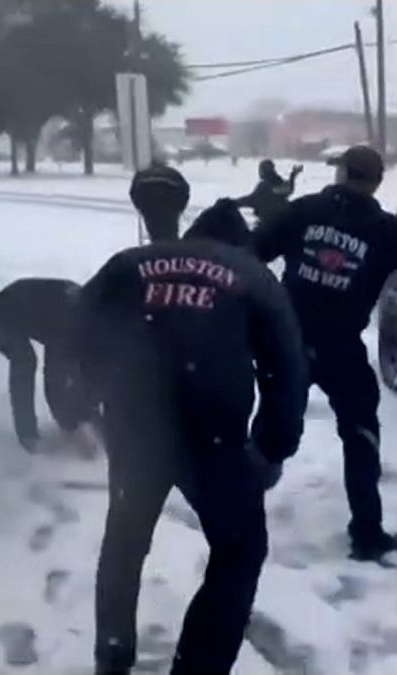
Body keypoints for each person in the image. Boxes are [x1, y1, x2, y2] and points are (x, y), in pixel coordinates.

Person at [73, 198, 307, 674]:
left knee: (125, 539)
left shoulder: (129, 264)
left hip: (135, 423)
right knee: (240, 550)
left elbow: (77, 332)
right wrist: (271, 446)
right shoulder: (254, 276)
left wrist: (90, 404)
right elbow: (287, 366)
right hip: (213, 432)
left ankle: (112, 657)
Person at [253, 145, 397, 561]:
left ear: (341, 174)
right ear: (375, 181)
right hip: (341, 349)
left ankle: (239, 513)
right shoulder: (386, 231)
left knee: (273, 431)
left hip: (288, 342)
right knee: (360, 437)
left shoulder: (303, 211)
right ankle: (367, 533)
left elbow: (254, 251)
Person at [0, 278, 95, 451]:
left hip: (27, 308)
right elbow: (54, 379)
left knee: (75, 367)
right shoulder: (69, 324)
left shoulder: (88, 310)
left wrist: (86, 416)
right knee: (25, 362)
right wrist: (71, 426)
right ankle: (27, 435)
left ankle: (76, 419)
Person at [128, 160, 190, 243]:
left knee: (153, 230)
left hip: (148, 204)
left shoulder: (141, 175)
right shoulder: (173, 174)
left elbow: (133, 192)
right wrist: (179, 207)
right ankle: (172, 248)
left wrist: (141, 207)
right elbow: (184, 190)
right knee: (170, 231)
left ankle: (155, 247)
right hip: (171, 204)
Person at [236, 159, 303, 227]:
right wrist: (292, 176)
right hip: (285, 222)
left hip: (269, 226)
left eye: (260, 170)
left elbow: (251, 199)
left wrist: (233, 203)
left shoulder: (265, 186)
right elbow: (289, 189)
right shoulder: (278, 182)